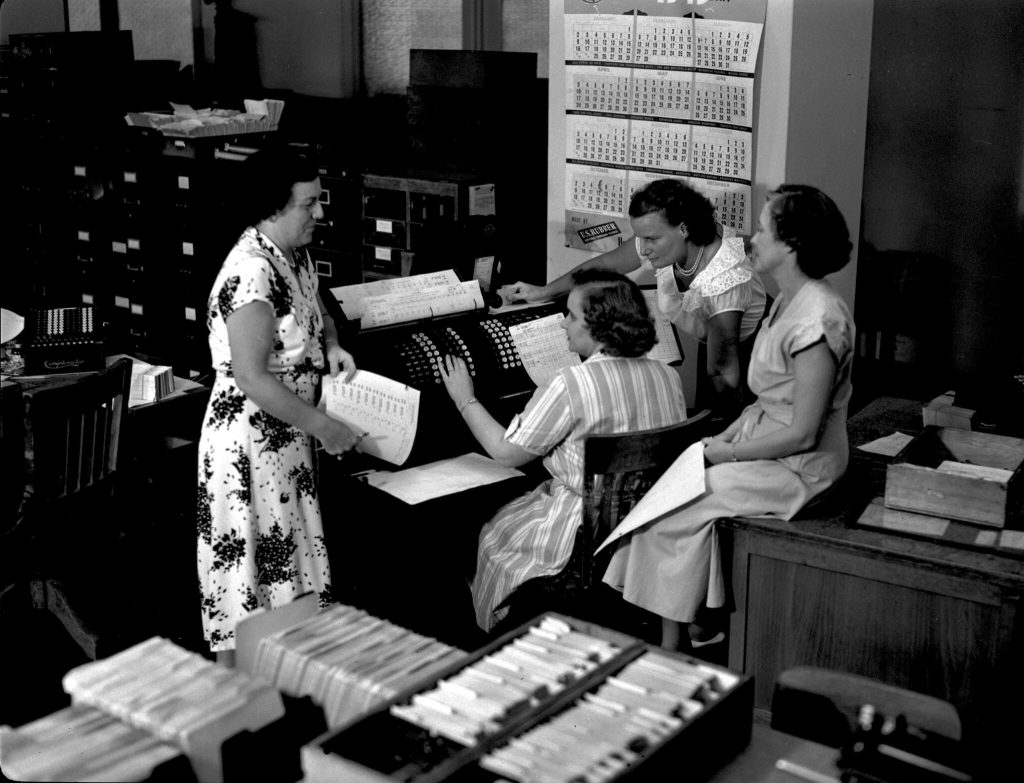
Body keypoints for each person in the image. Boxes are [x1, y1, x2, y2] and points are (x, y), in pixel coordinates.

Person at [602, 184, 856, 651]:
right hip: (768, 446)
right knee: (667, 495)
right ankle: (693, 626)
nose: (751, 240)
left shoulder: (818, 319)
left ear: (791, 245)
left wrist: (729, 452)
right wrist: (728, 438)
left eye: (762, 231)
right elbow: (769, 401)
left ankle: (678, 640)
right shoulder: (790, 300)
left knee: (669, 513)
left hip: (801, 468)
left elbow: (803, 433)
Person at [437, 269, 689, 633]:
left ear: (597, 326)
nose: (563, 324)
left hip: (582, 538)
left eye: (570, 316)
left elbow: (505, 454)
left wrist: (465, 399)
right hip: (648, 530)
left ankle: (482, 635)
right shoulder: (668, 376)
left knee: (488, 532)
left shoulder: (572, 383)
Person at [196, 146, 360, 665]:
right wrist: (325, 428)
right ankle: (239, 696)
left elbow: (316, 308)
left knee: (287, 571)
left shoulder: (294, 254)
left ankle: (279, 688)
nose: (320, 213)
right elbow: (251, 376)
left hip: (287, 440)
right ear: (272, 208)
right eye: (308, 204)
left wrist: (331, 345)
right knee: (248, 581)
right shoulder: (251, 271)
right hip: (250, 445)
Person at [500, 178, 767, 419]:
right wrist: (543, 291)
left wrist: (724, 441)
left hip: (753, 349)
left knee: (729, 422)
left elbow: (723, 373)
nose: (644, 248)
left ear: (684, 229)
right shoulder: (665, 242)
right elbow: (604, 265)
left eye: (650, 239)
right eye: (640, 237)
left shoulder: (723, 276)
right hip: (712, 342)